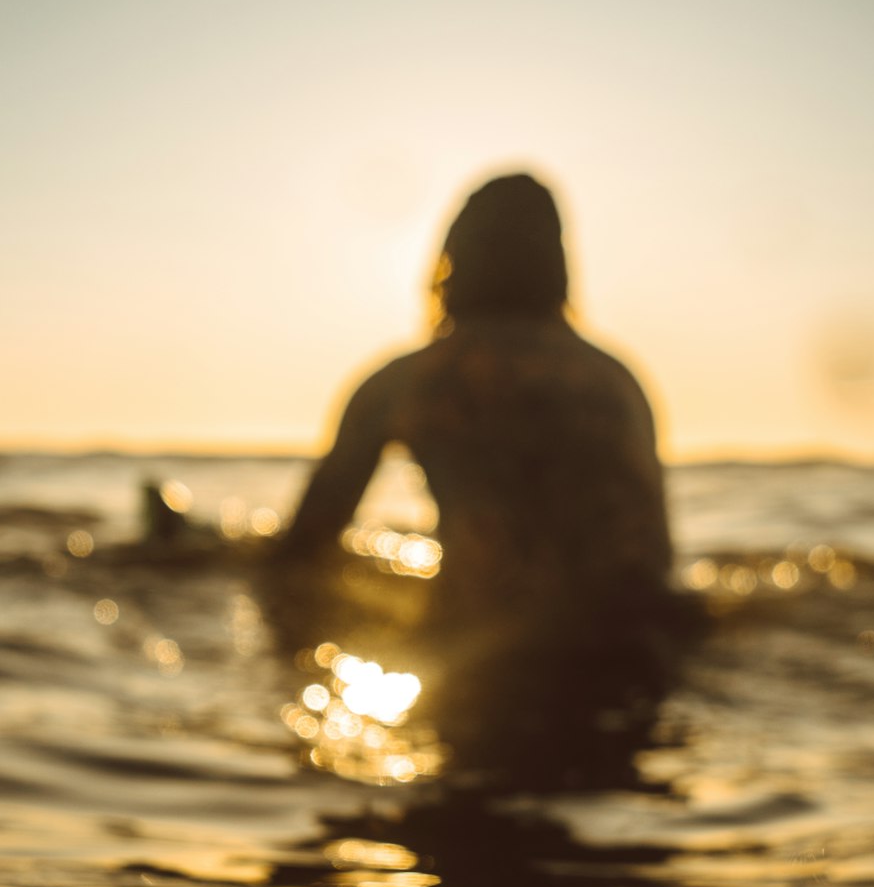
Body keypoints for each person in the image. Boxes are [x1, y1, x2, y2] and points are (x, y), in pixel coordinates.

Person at [282, 172, 674, 645]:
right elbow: (656, 556)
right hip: (638, 650)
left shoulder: (407, 381)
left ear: (455, 257)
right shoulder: (616, 380)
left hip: (481, 653)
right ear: (558, 262)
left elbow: (303, 550)